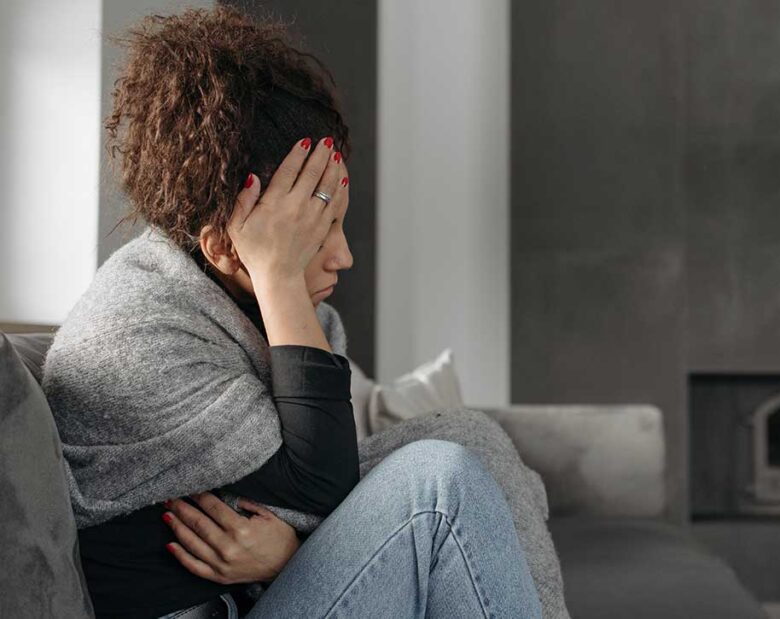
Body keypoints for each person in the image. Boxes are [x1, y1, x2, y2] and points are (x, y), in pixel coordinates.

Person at [41, 6, 565, 618]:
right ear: (223, 244)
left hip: (258, 596)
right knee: (438, 482)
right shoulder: (134, 331)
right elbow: (322, 488)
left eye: (339, 223)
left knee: (472, 441)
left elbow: (323, 492)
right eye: (315, 233)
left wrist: (288, 553)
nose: (343, 257)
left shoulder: (257, 307)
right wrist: (282, 275)